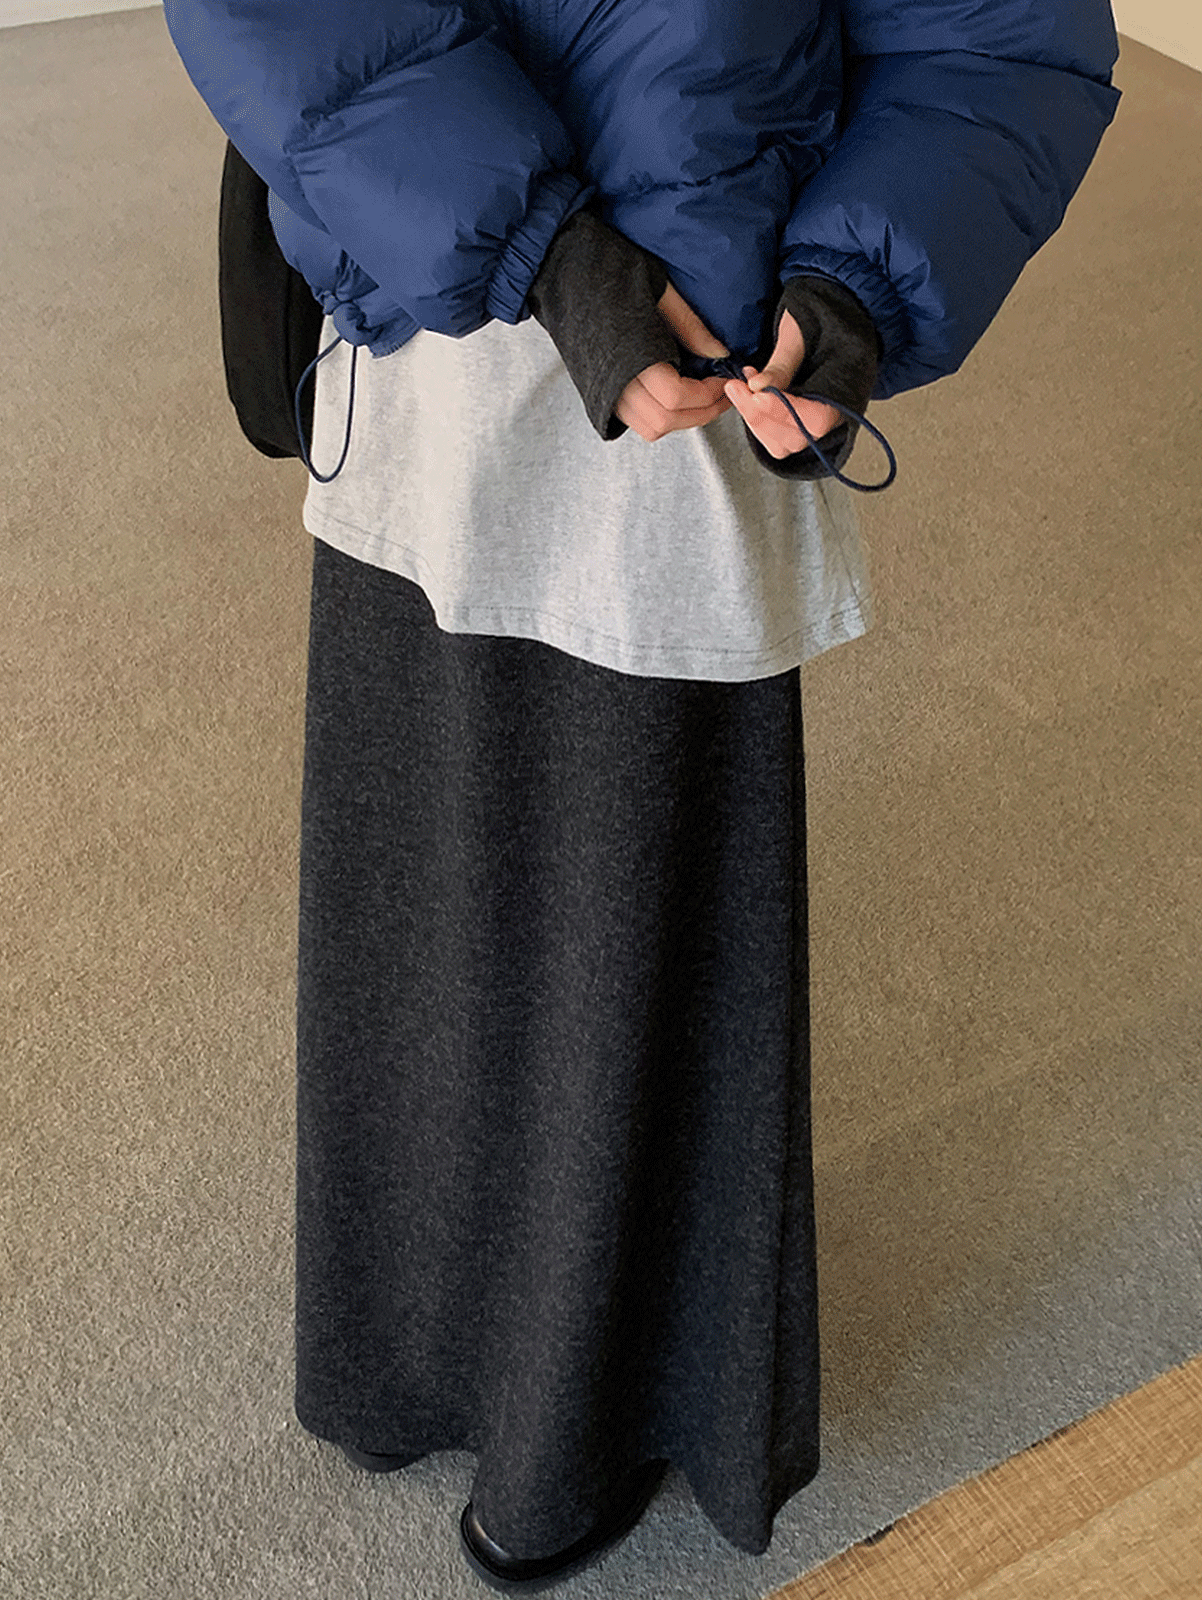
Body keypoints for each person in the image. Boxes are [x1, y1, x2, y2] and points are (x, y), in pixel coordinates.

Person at [164, 0, 1122, 1591]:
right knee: (459, 874)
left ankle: (533, 1408)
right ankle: (443, 1369)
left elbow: (993, 40)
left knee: (608, 894)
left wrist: (857, 281)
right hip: (466, 310)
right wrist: (543, 252)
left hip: (686, 348)